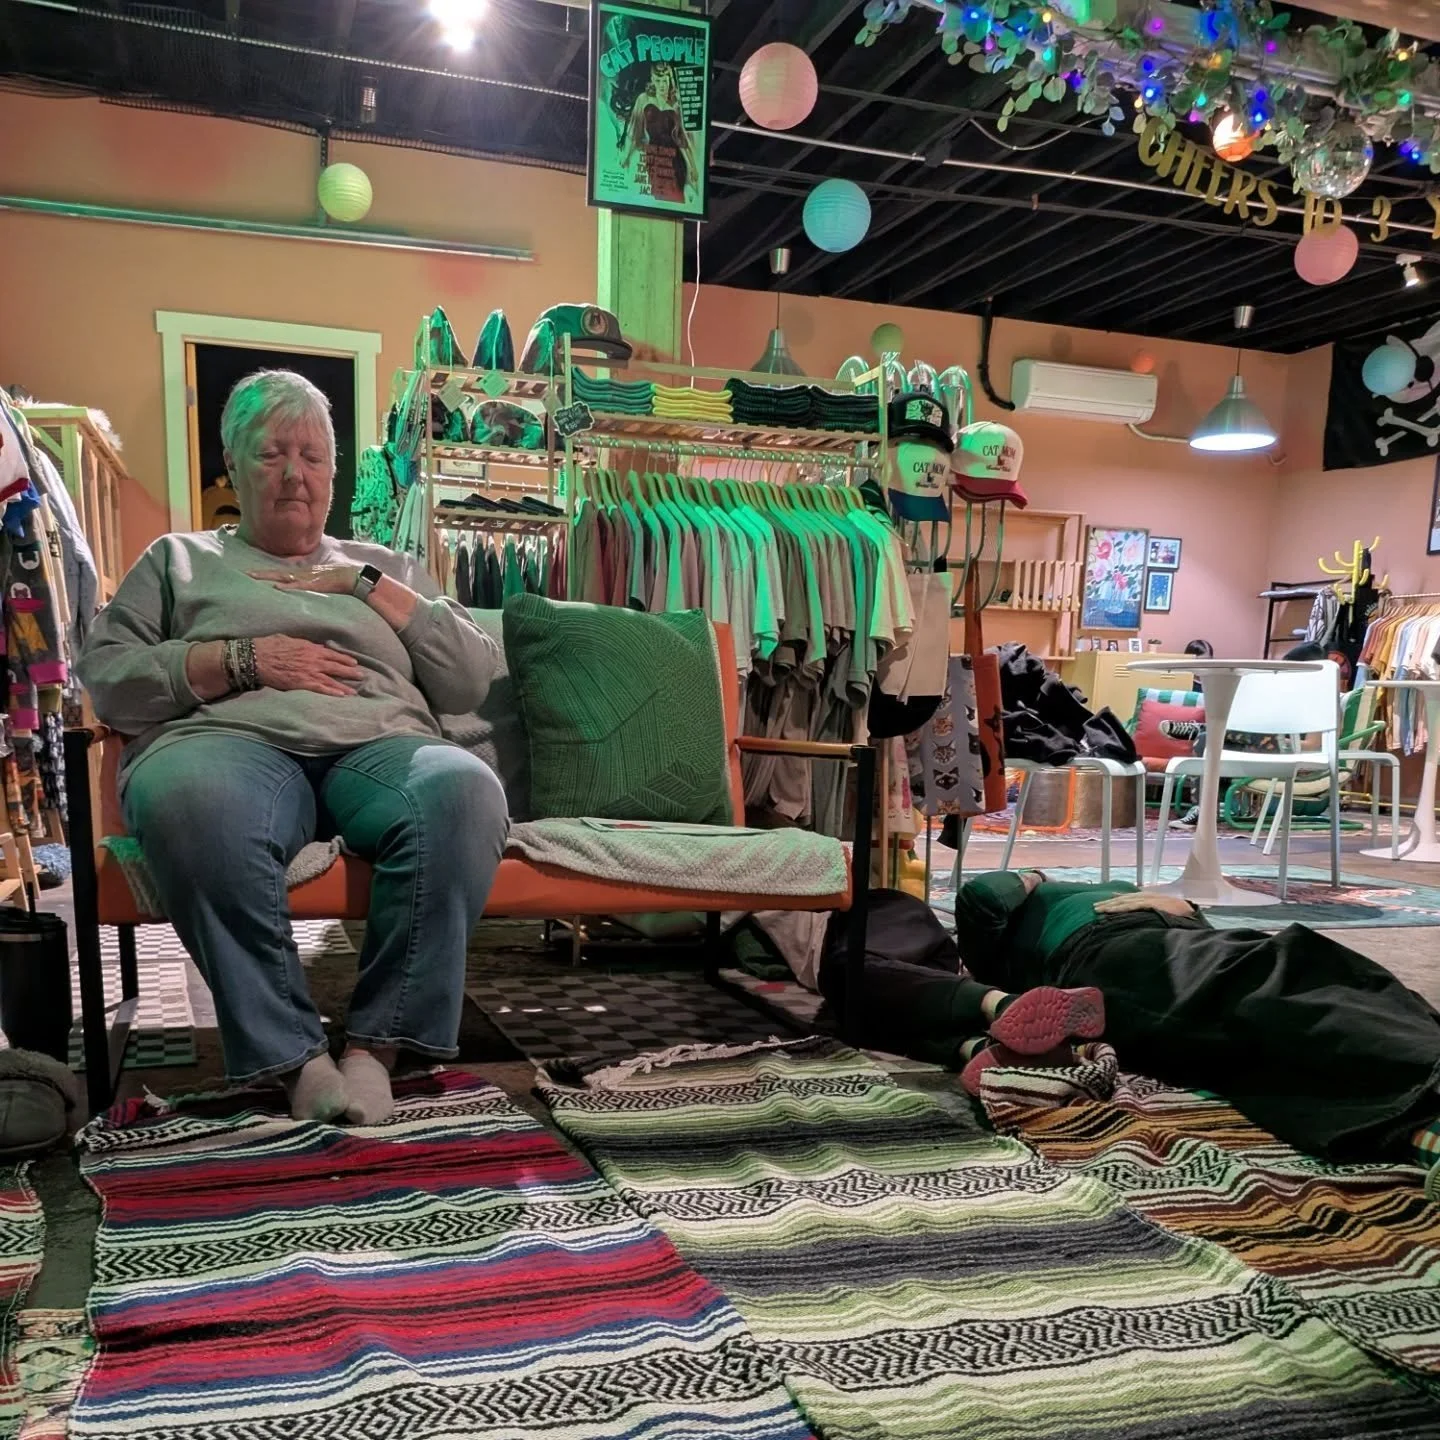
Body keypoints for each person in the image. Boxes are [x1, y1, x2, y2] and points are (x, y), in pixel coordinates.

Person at [79, 370, 508, 1125]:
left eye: (311, 457)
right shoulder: (178, 560)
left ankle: (377, 1049)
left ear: (334, 471)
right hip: (228, 740)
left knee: (463, 791)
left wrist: (368, 584)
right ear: (232, 464)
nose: (293, 475)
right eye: (271, 453)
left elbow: (471, 678)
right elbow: (109, 677)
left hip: (381, 742)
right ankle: (295, 1058)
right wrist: (241, 660)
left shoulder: (386, 566)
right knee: (189, 800)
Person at [954, 870, 1440, 1185]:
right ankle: (1423, 1089)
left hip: (1187, 941)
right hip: (1107, 949)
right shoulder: (1025, 910)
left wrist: (1187, 908)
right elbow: (981, 895)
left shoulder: (1109, 889)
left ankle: (1418, 1125)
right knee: (1272, 988)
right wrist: (1036, 875)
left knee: (1316, 987)